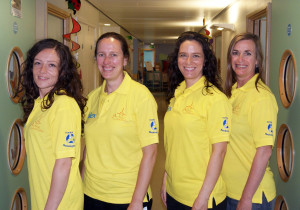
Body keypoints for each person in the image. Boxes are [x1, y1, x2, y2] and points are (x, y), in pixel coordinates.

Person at [82, 32, 159, 210]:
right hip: (91, 194)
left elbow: (151, 152)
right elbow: (89, 148)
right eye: (101, 55)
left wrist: (137, 200)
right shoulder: (92, 98)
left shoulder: (141, 97)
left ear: (125, 60)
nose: (106, 61)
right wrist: (81, 183)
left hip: (127, 196)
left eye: (113, 55)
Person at [161, 31, 231, 210]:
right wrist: (165, 179)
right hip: (174, 191)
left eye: (196, 56)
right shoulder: (178, 93)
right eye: (183, 55)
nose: (188, 61)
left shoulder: (215, 99)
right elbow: (174, 145)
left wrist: (203, 197)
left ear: (205, 60)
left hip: (201, 197)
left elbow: (220, 152)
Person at [20, 39, 86, 210]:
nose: (42, 70)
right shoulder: (40, 104)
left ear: (63, 72)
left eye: (51, 65)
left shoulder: (63, 105)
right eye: (38, 63)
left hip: (60, 204)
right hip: (43, 197)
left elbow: (64, 163)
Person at [222, 33, 278, 210]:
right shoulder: (231, 94)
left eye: (247, 53)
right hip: (229, 191)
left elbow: (264, 152)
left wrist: (246, 199)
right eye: (235, 52)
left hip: (251, 197)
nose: (240, 59)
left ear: (257, 60)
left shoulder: (261, 97)